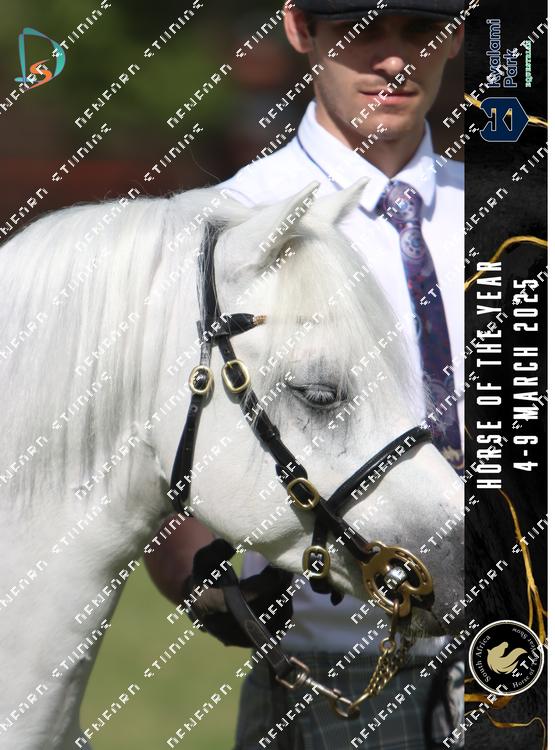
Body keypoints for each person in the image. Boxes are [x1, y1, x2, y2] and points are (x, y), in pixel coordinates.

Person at [146, 1, 465, 748]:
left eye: (419, 31)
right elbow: (155, 441)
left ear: (455, 35)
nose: (394, 61)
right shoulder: (226, 223)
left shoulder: (522, 211)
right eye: (362, 31)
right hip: (339, 659)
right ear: (298, 29)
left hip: (522, 643)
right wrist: (198, 573)